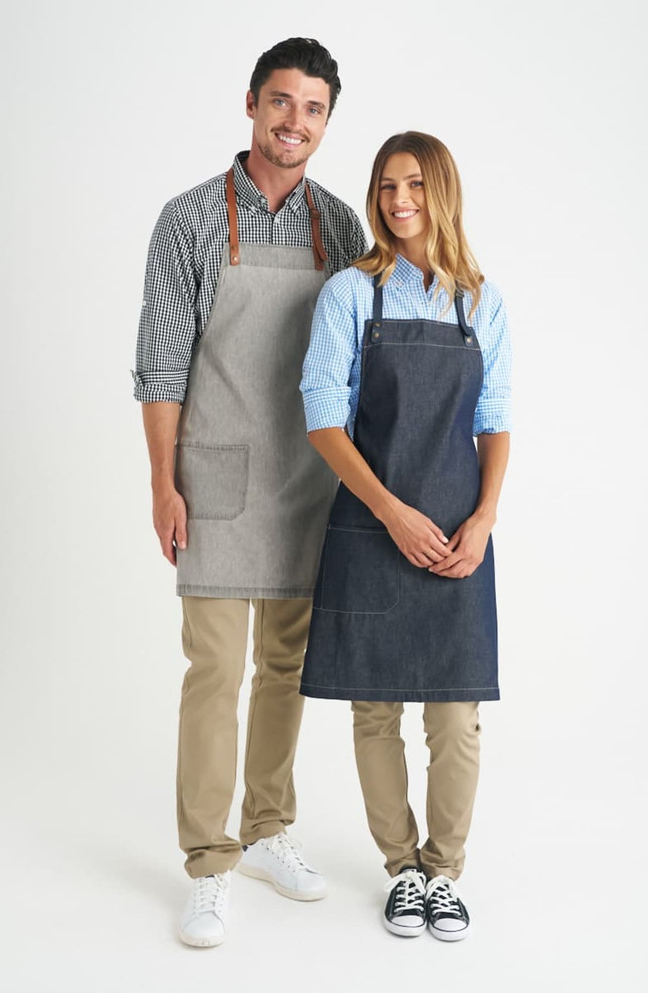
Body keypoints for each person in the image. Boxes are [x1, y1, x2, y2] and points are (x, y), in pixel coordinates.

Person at [133, 37, 366, 947]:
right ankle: (208, 861)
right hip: (216, 482)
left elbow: (354, 360)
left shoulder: (341, 227)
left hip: (310, 485)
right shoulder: (189, 220)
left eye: (312, 109)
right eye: (280, 102)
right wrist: (164, 482)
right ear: (250, 104)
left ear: (326, 121)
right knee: (216, 671)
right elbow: (159, 365)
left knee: (285, 670)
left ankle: (270, 828)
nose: (294, 122)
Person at [299, 131, 511, 941]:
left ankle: (444, 871)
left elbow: (494, 422)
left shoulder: (481, 301)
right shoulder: (353, 294)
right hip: (369, 522)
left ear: (442, 191)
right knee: (375, 710)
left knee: (455, 716)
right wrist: (390, 509)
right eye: (387, 186)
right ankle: (401, 871)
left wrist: (483, 519)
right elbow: (321, 414)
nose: (398, 202)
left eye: (415, 185)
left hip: (459, 531)